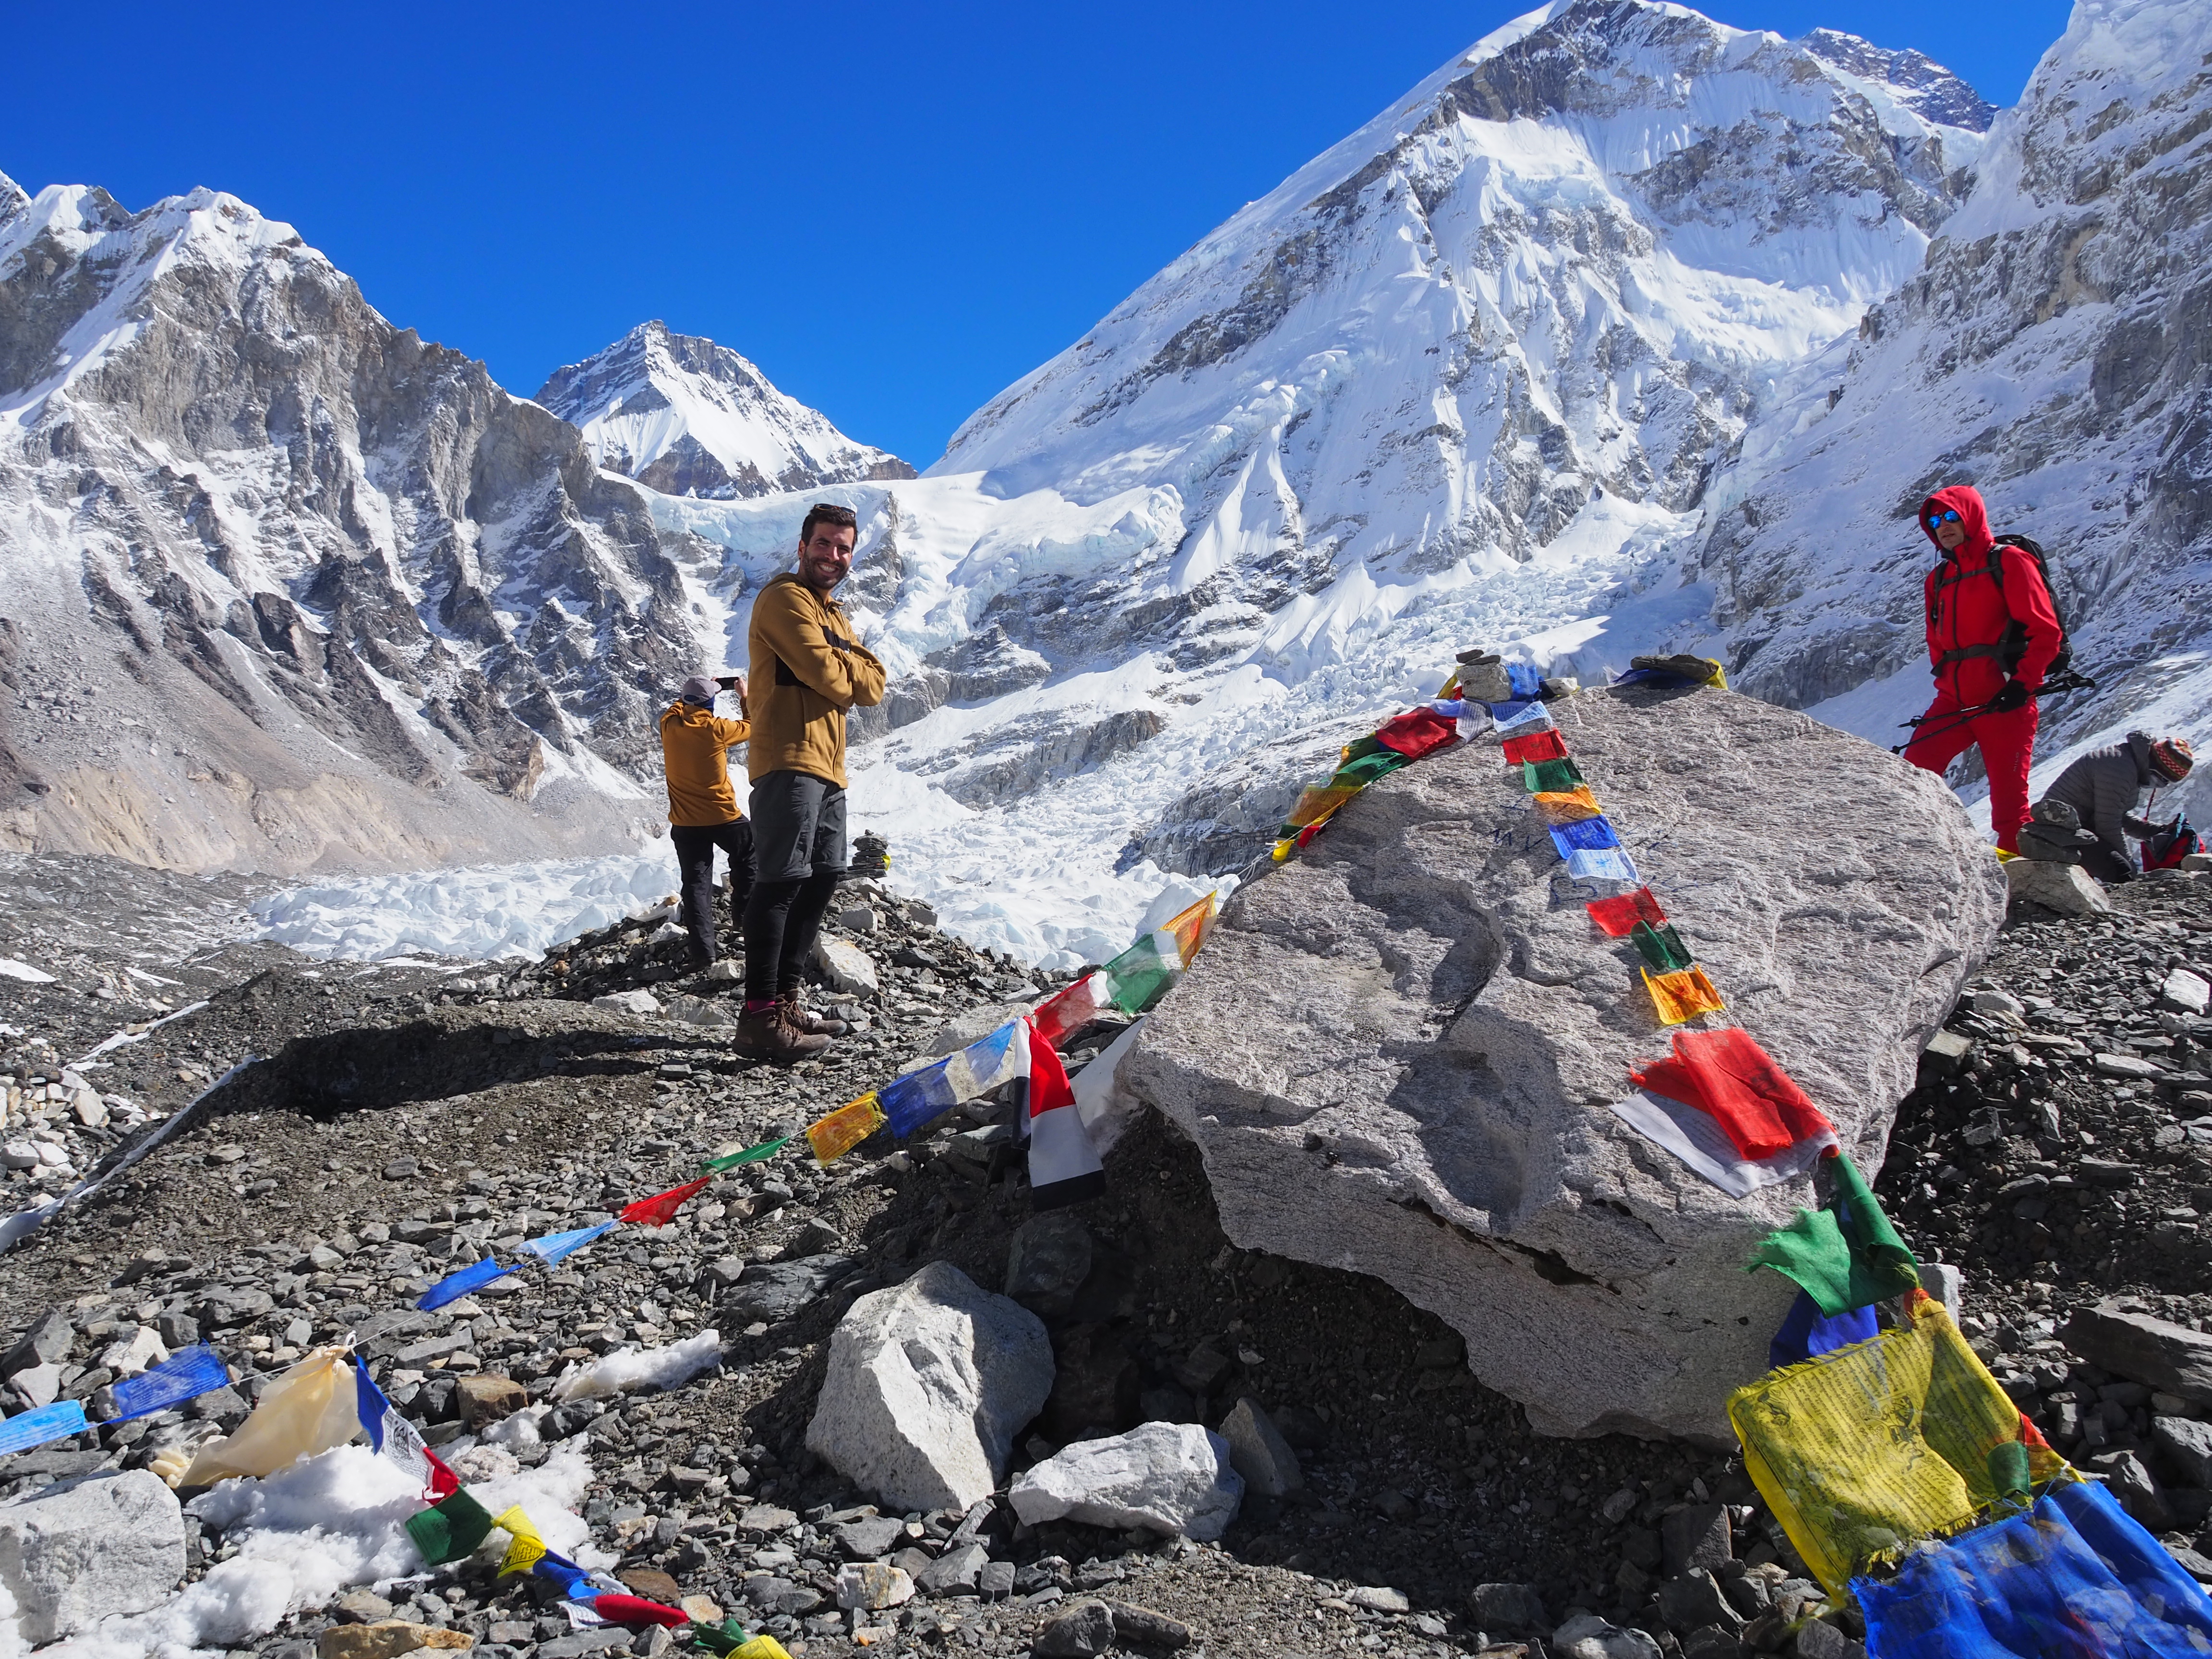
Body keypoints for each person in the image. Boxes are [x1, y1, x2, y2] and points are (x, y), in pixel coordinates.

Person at [734, 502, 887, 1061]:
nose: (834, 555)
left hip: (828, 765)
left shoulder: (834, 614)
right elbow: (836, 677)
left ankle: (786, 1000)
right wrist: (842, 666)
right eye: (824, 543)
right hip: (788, 758)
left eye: (844, 547)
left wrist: (839, 662)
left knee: (823, 877)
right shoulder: (784, 599)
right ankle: (758, 1019)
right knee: (780, 881)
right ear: (803, 547)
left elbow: (873, 685)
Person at [1902, 486, 2063, 853]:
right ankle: (1921, 854)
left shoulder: (2009, 562)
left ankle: (2015, 883)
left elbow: (2045, 631)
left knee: (2009, 806)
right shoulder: (1938, 579)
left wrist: (2022, 685)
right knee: (1914, 771)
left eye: (1950, 516)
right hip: (1954, 700)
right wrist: (1948, 681)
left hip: (2006, 701)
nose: (1942, 526)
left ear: (1970, 516)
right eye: (1935, 521)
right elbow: (1937, 641)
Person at [661, 673, 754, 970]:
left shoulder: (669, 725)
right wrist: (744, 696)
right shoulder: (717, 729)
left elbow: (677, 706)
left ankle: (704, 954)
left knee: (696, 885)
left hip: (686, 823)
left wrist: (693, 692)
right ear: (711, 703)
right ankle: (744, 917)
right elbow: (752, 726)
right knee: (749, 857)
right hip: (723, 816)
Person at [2028, 733, 2193, 882]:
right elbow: (2108, 824)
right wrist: (2131, 871)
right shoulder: (2119, 769)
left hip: (2076, 826)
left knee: (2115, 865)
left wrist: (2159, 831)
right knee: (2120, 870)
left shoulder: (2130, 764)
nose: (2154, 786)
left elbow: (2117, 814)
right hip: (2058, 830)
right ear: (2154, 766)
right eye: (2158, 780)